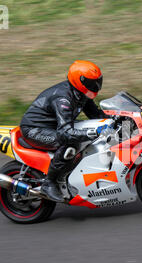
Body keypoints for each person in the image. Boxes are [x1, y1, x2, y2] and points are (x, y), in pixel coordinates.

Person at [20, 60, 109, 201]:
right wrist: (92, 133)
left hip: (54, 126)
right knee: (71, 143)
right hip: (35, 129)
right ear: (80, 81)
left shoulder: (81, 94)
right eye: (92, 83)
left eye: (98, 82)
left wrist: (119, 117)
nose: (96, 86)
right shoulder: (63, 98)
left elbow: (96, 115)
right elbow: (65, 133)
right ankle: (49, 183)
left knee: (87, 132)